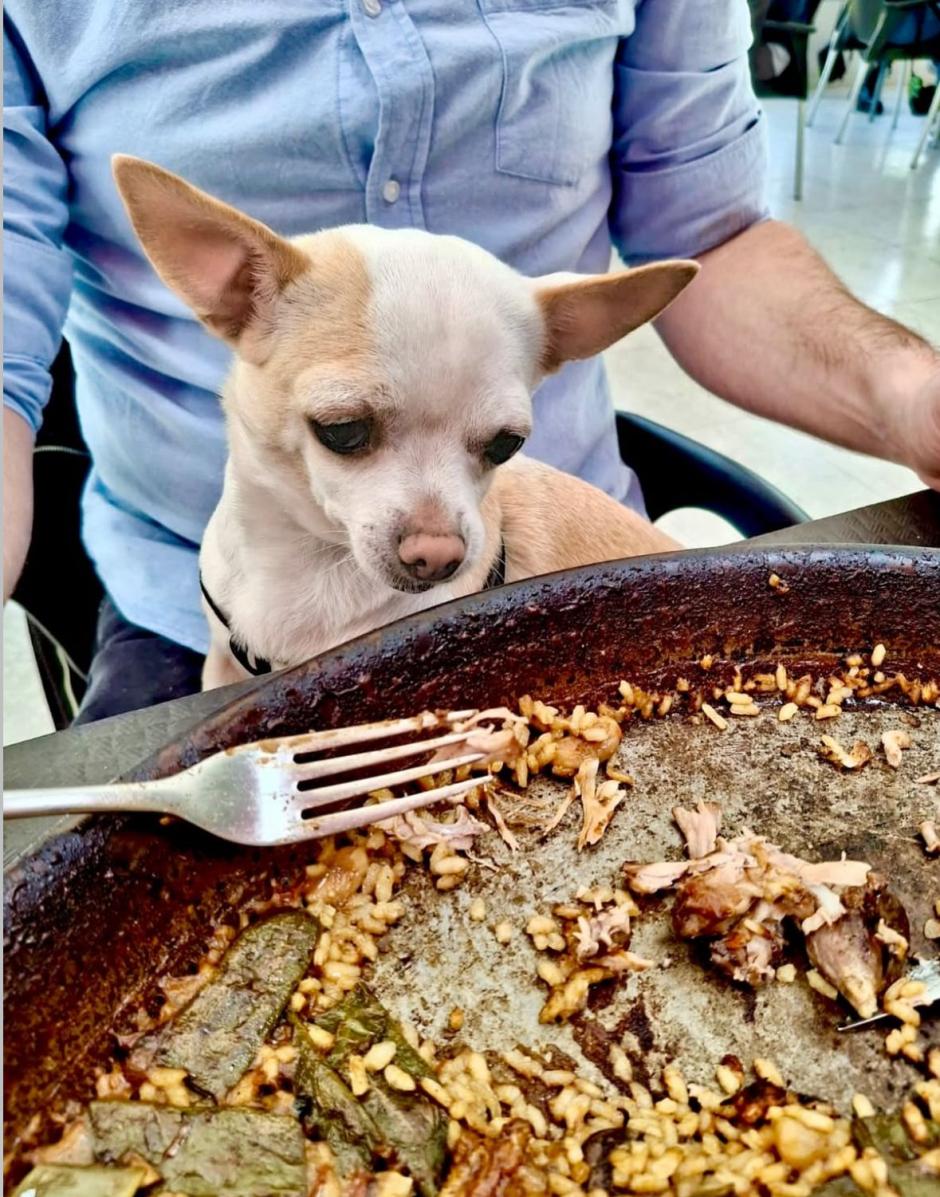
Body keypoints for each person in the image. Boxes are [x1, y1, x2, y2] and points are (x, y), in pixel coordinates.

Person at [4, 1, 939, 724]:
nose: (430, 539)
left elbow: (714, 233)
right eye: (349, 429)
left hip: (561, 584)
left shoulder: (481, 502)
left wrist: (910, 389)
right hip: (172, 586)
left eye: (492, 444)